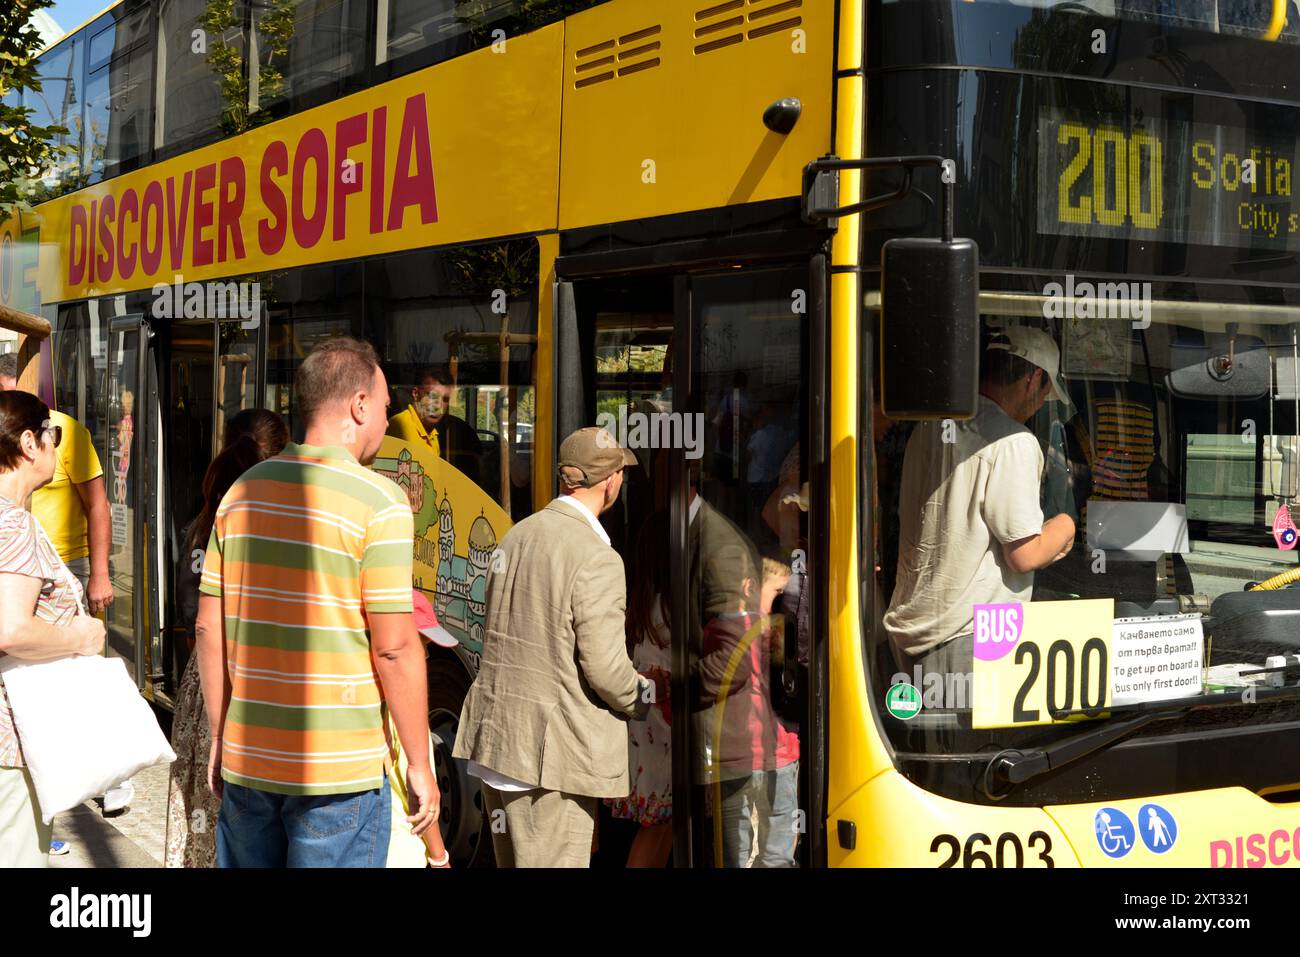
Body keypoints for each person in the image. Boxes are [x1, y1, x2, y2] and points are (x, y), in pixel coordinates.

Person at [195, 337, 439, 867]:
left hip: (248, 763)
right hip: (338, 775)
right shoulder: (380, 502)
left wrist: (219, 735)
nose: (387, 419)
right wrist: (418, 763)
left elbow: (209, 630)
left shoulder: (241, 494)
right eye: (382, 404)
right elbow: (394, 649)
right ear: (357, 405)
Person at [453, 426, 652, 868]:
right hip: (550, 760)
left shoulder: (517, 536)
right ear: (611, 481)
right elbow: (605, 669)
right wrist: (643, 696)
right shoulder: (598, 557)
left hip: (500, 743)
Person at [883, 325, 1077, 679]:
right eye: (1043, 396)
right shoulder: (1014, 441)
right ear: (1034, 379)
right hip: (971, 636)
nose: (1037, 409)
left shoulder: (928, 428)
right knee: (973, 736)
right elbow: (1024, 554)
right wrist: (1066, 524)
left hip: (913, 629)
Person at [0, 355, 128, 818]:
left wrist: (98, 573)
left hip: (60, 564)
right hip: (10, 744)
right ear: (28, 442)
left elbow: (98, 504)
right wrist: (80, 635)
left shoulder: (74, 435)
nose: (55, 441)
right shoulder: (13, 525)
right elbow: (12, 631)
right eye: (48, 435)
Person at [164, 409, 289, 868]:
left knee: (206, 806)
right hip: (254, 679)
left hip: (207, 685)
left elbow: (195, 618)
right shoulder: (281, 517)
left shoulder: (206, 520)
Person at [607, 515, 673, 868]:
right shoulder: (671, 608)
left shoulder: (641, 603)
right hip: (663, 732)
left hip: (645, 731)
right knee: (657, 828)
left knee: (661, 824)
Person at [386, 366, 483, 486]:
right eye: (432, 396)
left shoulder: (434, 435)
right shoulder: (399, 426)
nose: (439, 405)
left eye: (445, 399)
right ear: (416, 394)